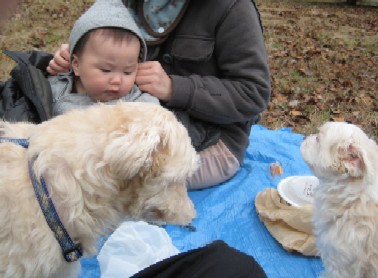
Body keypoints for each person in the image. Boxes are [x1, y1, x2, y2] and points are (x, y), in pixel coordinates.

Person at [48, 0, 271, 191]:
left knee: (95, 175)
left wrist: (175, 88)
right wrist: (76, 56)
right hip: (131, 122)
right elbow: (99, 34)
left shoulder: (233, 7)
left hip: (210, 141)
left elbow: (254, 94)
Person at [48, 0, 159, 116]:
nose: (117, 80)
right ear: (76, 65)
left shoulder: (138, 102)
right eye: (106, 70)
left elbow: (156, 117)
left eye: (127, 72)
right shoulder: (56, 90)